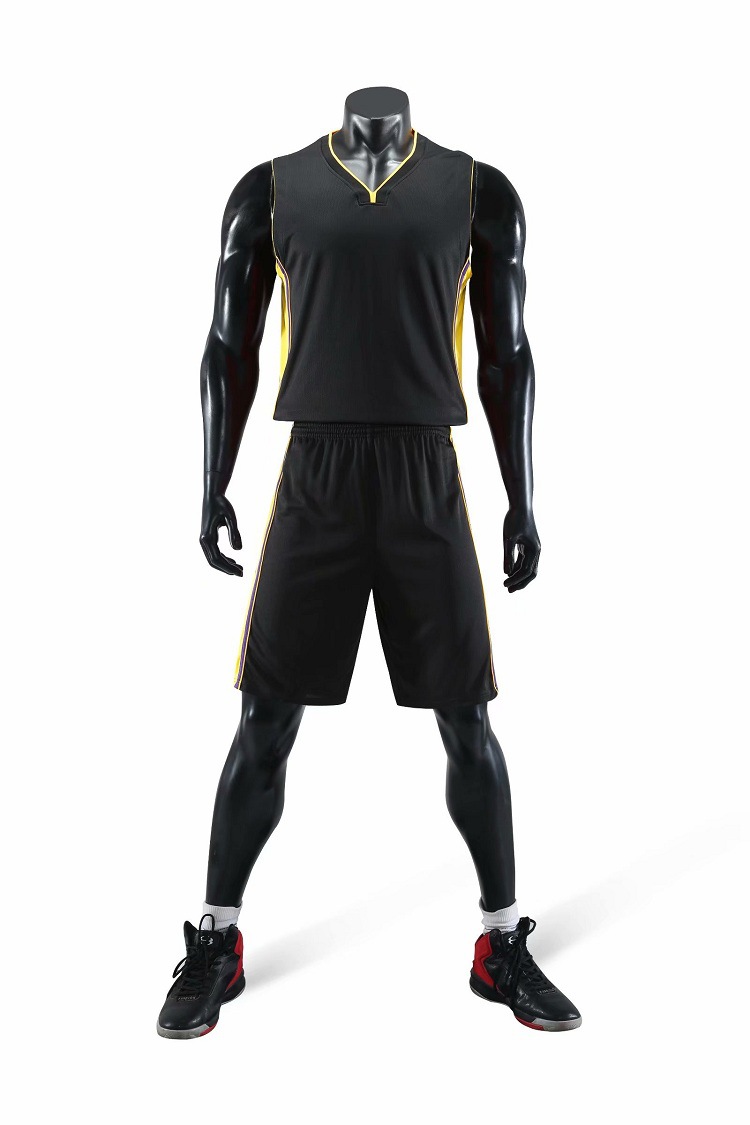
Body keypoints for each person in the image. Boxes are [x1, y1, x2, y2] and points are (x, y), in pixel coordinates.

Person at [157, 87, 581, 1038]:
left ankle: (500, 944)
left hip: (426, 471)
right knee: (265, 717)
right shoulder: (269, 191)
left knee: (467, 718)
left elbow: (508, 354)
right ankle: (216, 938)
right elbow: (227, 345)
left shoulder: (479, 193)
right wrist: (211, 481)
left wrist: (521, 496)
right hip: (316, 473)